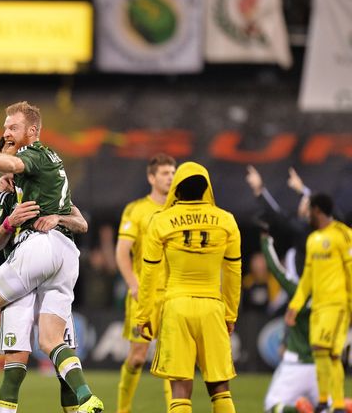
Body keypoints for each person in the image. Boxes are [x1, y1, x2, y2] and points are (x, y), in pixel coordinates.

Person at [0, 101, 103, 413]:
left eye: (12, 131)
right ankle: (87, 398)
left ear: (27, 138)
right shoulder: (8, 194)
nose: (8, 137)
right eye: (4, 136)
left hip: (37, 252)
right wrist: (10, 221)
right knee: (40, 348)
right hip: (57, 260)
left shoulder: (36, 160)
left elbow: (80, 221)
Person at [0, 136, 87, 413]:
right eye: (7, 151)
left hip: (52, 277)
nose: (14, 156)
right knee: (15, 367)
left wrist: (59, 218)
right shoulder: (1, 199)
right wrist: (10, 223)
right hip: (20, 283)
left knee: (61, 364)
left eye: (16, 150)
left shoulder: (45, 187)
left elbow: (81, 223)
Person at [136, 161, 242, 413]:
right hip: (212, 307)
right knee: (220, 388)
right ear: (207, 187)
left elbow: (149, 274)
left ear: (177, 189)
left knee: (180, 390)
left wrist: (145, 315)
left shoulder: (161, 221)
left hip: (176, 307)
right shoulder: (226, 221)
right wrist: (230, 314)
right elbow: (233, 272)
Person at [114, 153, 176, 413]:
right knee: (138, 358)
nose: (170, 177)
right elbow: (122, 251)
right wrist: (134, 284)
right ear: (151, 177)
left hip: (174, 295)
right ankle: (123, 409)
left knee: (174, 362)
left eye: (173, 173)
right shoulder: (136, 209)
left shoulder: (181, 210)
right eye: (165, 173)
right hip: (144, 296)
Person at [285, 194, 352, 413]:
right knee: (320, 353)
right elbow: (307, 280)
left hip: (338, 304)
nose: (306, 216)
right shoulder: (313, 240)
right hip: (318, 306)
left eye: (309, 211)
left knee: (328, 352)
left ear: (316, 210)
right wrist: (295, 305)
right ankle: (324, 401)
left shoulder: (343, 234)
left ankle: (339, 405)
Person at [261, 234, 315, 413]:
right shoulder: (334, 293)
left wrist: (265, 241)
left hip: (296, 362)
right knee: (328, 407)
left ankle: (299, 411)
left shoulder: (298, 289)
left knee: (272, 405)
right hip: (323, 364)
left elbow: (276, 269)